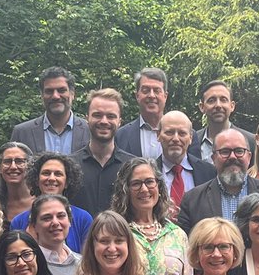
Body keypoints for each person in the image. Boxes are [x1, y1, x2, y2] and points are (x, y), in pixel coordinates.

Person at [177, 128, 259, 233]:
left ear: (249, 157)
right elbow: (186, 246)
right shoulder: (192, 200)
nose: (232, 157)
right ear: (213, 159)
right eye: (225, 151)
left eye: (239, 151)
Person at [9, 151, 94, 250]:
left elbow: (87, 260)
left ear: (67, 182)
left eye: (58, 174)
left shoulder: (83, 219)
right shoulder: (19, 222)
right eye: (46, 173)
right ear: (36, 180)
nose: (52, 178)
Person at [72, 88, 137, 216]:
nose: (104, 121)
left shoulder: (133, 167)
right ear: (87, 119)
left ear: (119, 122)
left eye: (111, 116)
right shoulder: (70, 166)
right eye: (97, 115)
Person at [10, 66, 89, 154]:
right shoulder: (22, 133)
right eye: (49, 91)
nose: (55, 96)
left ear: (72, 94)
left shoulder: (89, 130)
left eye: (61, 90)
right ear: (42, 95)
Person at [157, 110, 216, 218]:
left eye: (182, 133)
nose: (175, 139)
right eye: (169, 132)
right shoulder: (149, 171)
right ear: (158, 135)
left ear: (191, 138)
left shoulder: (209, 173)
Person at [189, 80, 256, 160]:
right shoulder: (191, 142)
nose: (218, 105)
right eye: (211, 100)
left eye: (223, 100)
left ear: (232, 106)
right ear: (202, 107)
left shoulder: (251, 142)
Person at [116, 67, 169, 158]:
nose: (151, 95)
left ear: (165, 96)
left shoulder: (184, 136)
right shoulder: (120, 136)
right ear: (137, 96)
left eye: (156, 91)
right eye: (146, 90)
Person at [30, 194, 82, 275]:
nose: (55, 222)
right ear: (34, 226)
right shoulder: (30, 265)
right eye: (47, 218)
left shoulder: (83, 264)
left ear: (69, 221)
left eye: (61, 216)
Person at [0, 141, 35, 223]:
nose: (13, 167)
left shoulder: (43, 201)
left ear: (29, 166)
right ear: (0, 168)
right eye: (7, 161)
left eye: (19, 161)